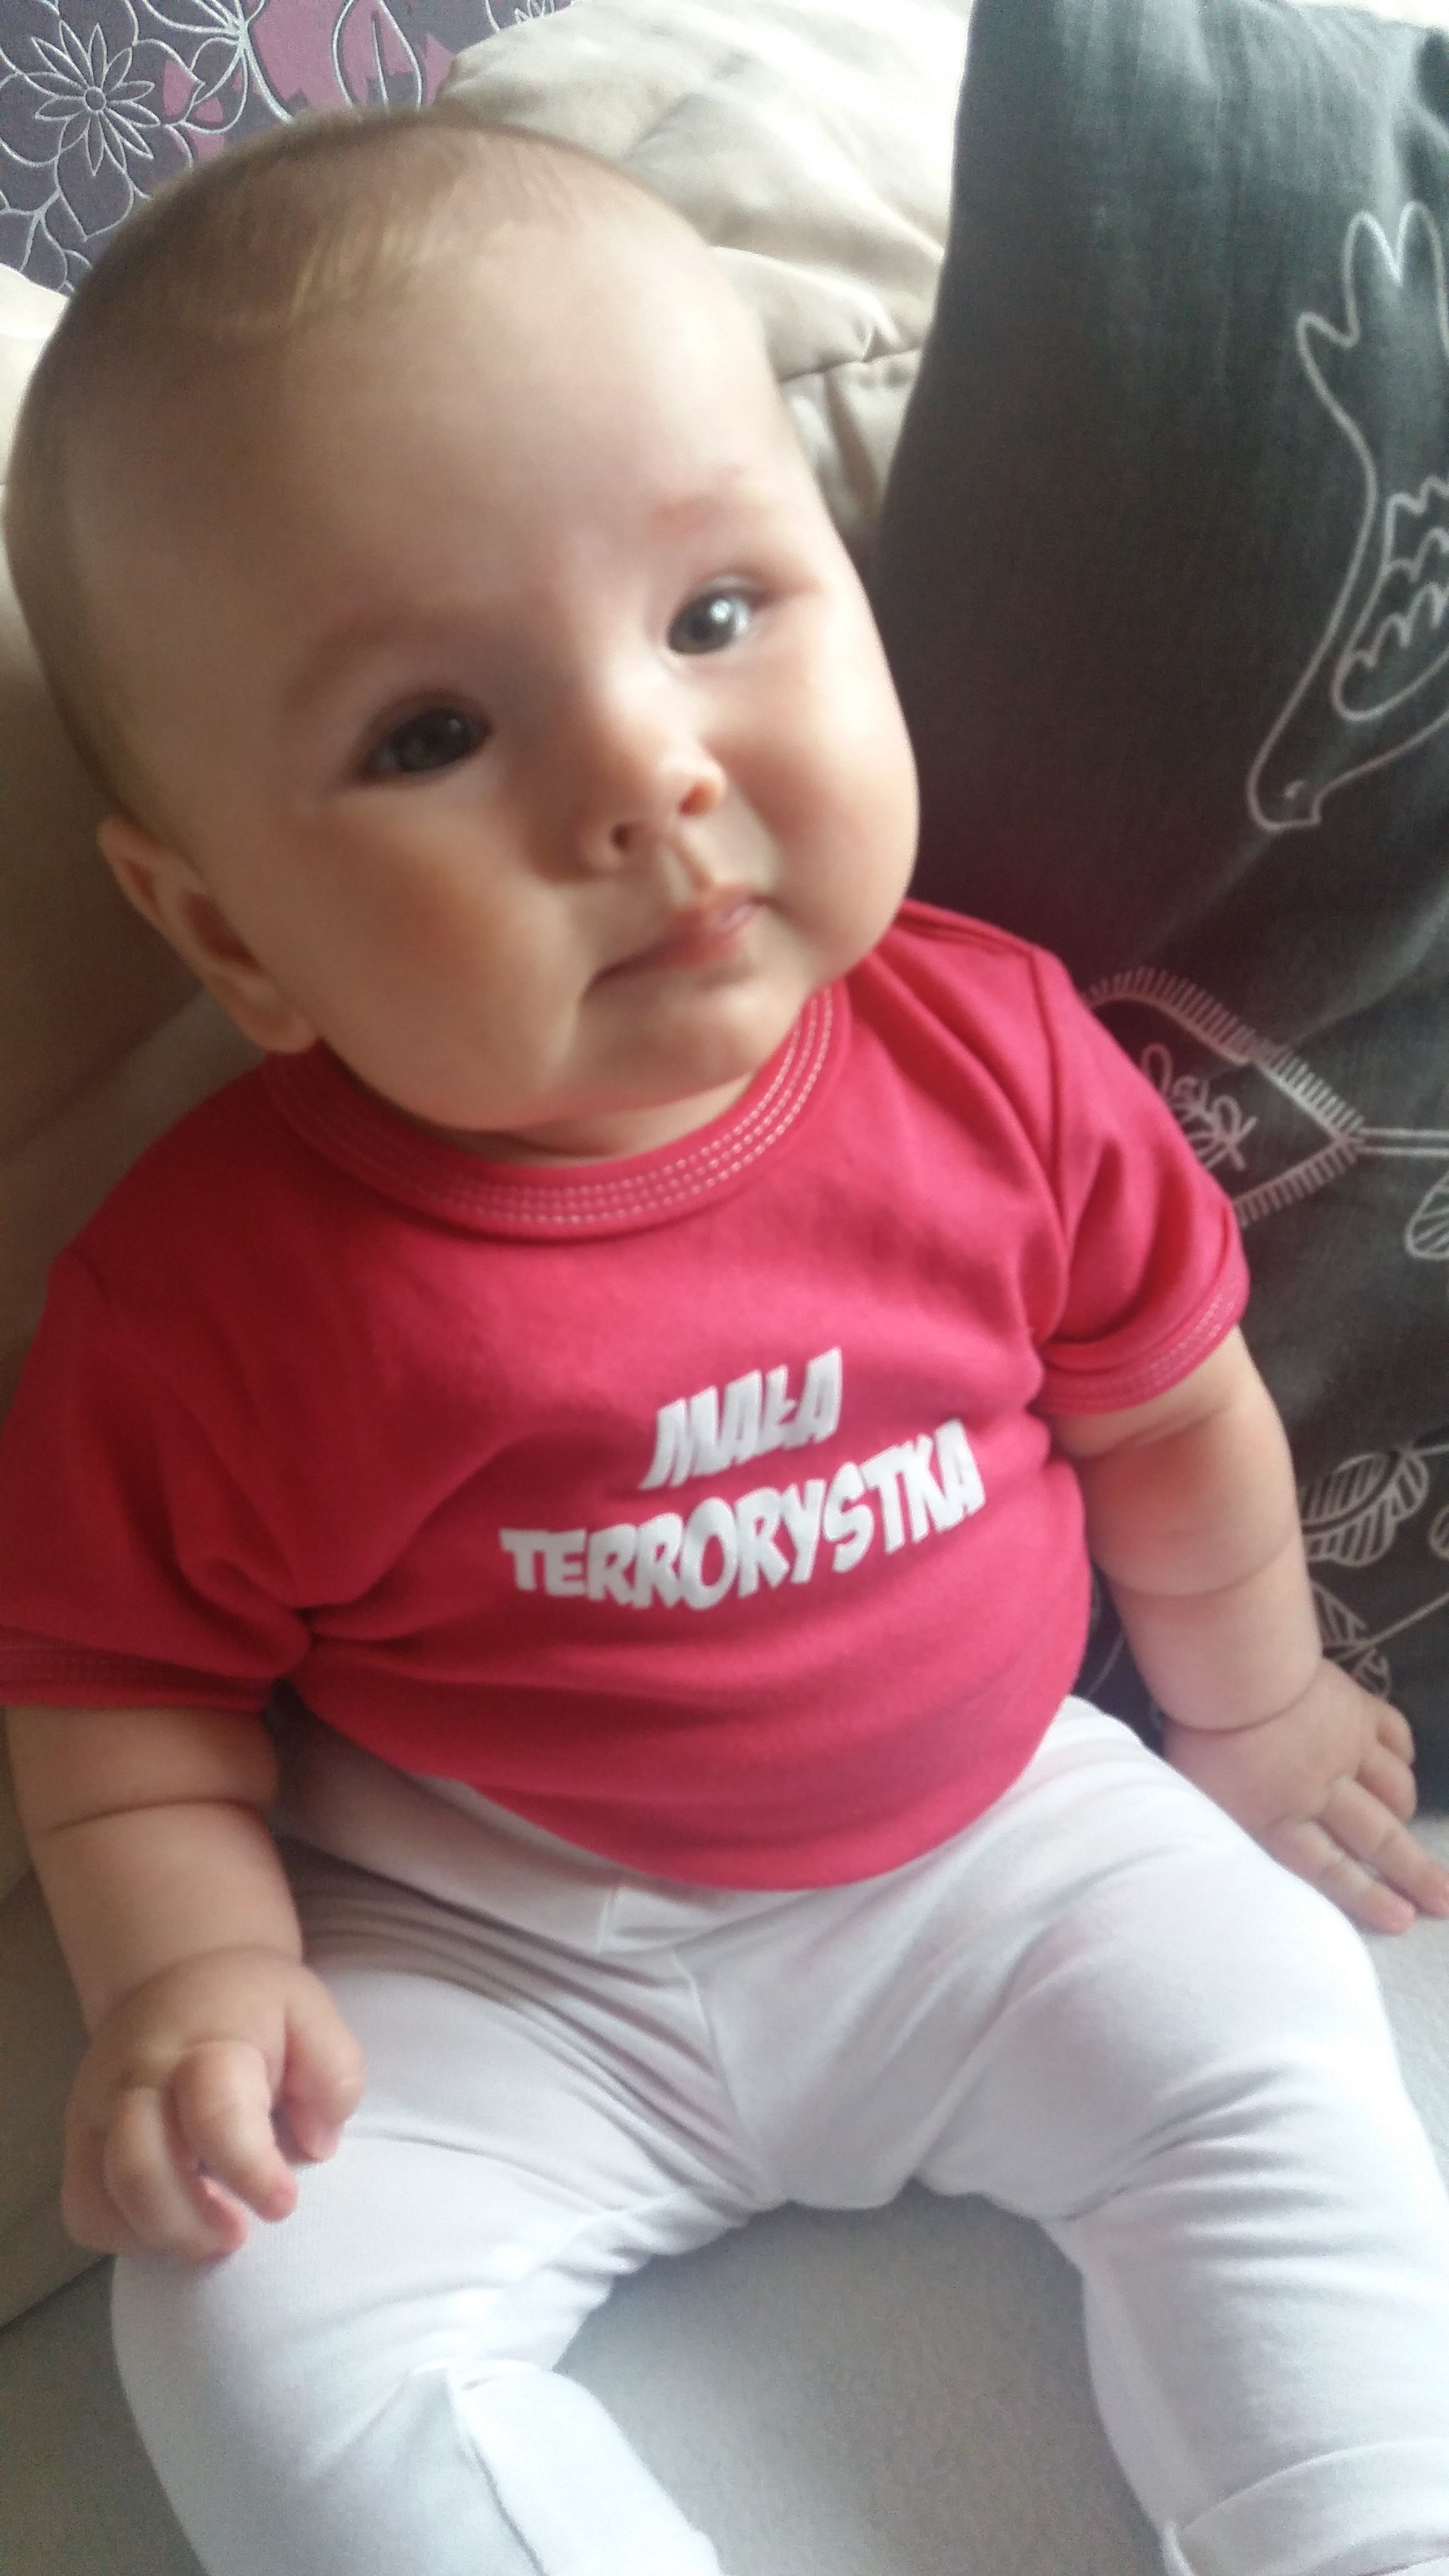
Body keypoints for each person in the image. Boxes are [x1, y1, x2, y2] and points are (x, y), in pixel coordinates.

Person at [1, 106, 1448, 2576]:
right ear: (227, 933)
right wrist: (201, 1979)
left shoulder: (990, 1063)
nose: (642, 774)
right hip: (484, 1952)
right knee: (240, 2320)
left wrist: (1253, 1709)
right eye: (433, 734)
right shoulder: (207, 1298)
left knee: (1275, 2047)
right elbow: (115, 1685)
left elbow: (1164, 1406)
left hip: (1001, 1849)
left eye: (712, 612)